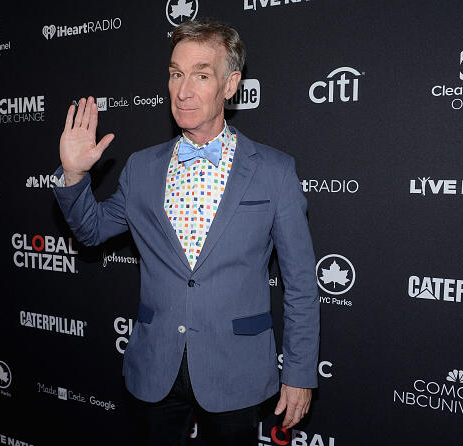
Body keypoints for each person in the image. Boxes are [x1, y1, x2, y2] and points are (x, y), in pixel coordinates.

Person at [52, 18, 319, 446]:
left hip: (236, 370)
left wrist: (301, 373)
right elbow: (91, 230)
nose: (183, 89)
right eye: (176, 73)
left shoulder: (275, 172)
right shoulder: (141, 167)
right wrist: (72, 174)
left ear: (230, 85)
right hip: (155, 365)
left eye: (201, 74)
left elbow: (302, 284)